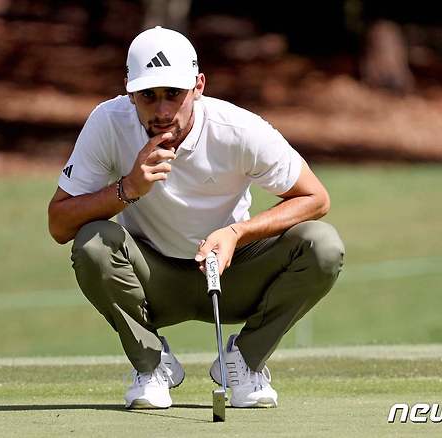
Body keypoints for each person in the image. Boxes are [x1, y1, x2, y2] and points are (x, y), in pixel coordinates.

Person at [47, 26, 345, 409]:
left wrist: (237, 233)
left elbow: (316, 198)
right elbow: (59, 225)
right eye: (147, 96)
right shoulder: (108, 122)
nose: (162, 110)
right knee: (92, 243)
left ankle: (244, 362)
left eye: (174, 94)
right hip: (152, 279)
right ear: (128, 90)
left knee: (322, 245)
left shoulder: (237, 129)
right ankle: (151, 364)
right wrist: (128, 188)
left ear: (199, 86)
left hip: (231, 274)